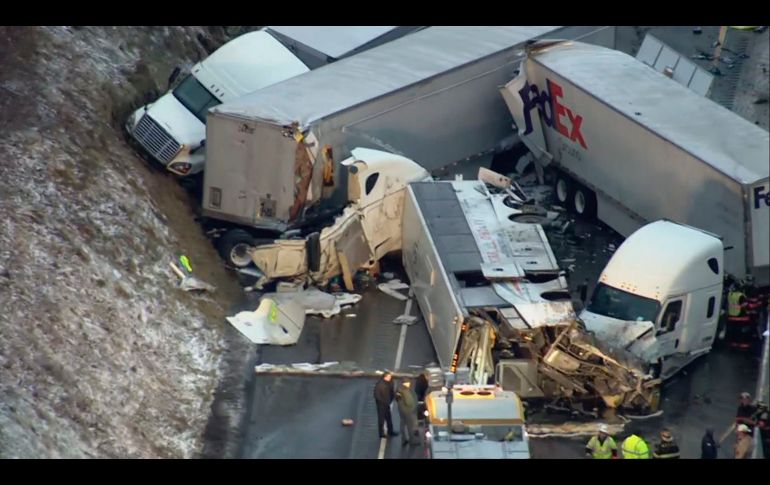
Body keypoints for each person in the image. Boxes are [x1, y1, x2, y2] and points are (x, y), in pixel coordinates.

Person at [373, 373, 398, 439]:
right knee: (381, 419)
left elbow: (391, 392)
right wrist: (383, 402)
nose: (390, 378)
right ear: (385, 377)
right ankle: (381, 433)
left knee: (388, 418)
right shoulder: (380, 385)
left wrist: (390, 400)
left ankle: (390, 431)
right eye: (389, 376)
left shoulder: (388, 383)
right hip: (381, 405)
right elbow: (376, 395)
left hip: (386, 404)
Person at [395, 380, 419, 445]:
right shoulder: (405, 391)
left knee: (402, 424)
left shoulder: (398, 390)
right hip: (408, 411)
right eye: (408, 383)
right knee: (411, 426)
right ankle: (413, 441)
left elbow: (397, 399)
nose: (409, 384)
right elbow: (409, 402)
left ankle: (404, 439)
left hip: (401, 410)